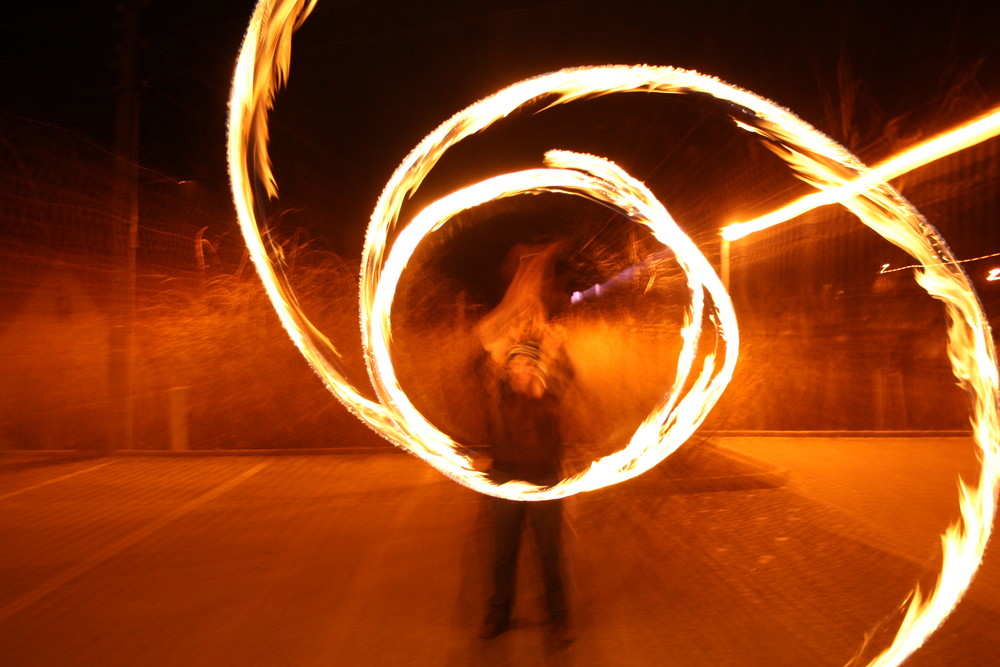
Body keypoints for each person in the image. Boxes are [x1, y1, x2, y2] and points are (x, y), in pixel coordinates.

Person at [477, 243, 574, 644]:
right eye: (514, 364)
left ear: (539, 369)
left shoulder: (552, 396)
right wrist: (519, 290)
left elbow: (564, 366)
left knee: (550, 554)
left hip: (546, 481)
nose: (520, 369)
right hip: (504, 479)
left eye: (527, 364)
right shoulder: (497, 396)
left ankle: (559, 619)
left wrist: (546, 335)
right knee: (503, 555)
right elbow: (484, 344)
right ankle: (498, 616)